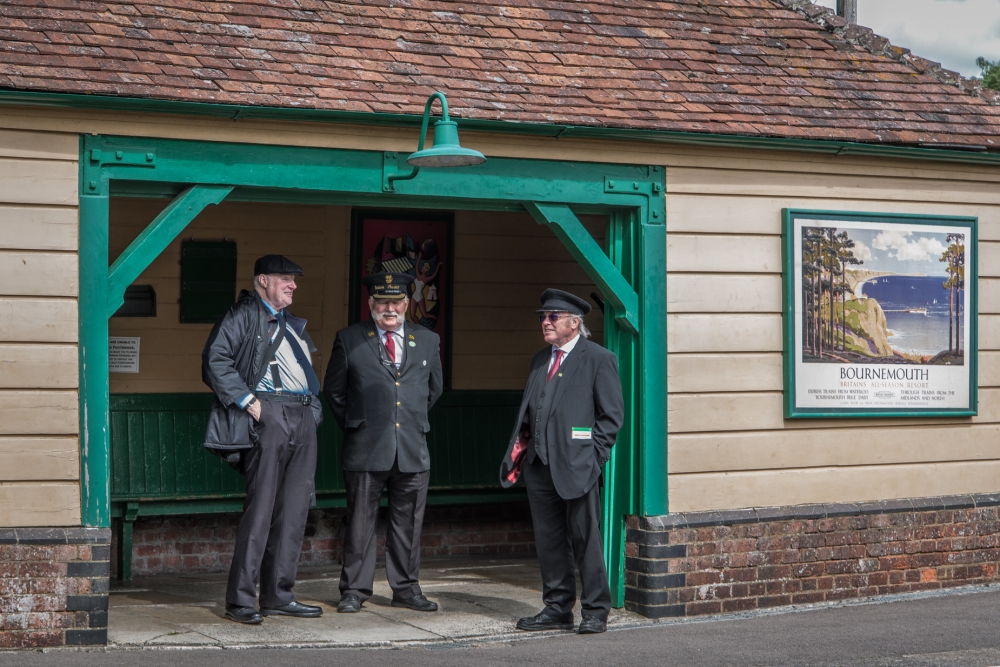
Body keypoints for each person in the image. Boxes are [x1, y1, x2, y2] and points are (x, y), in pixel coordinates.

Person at [202, 254, 324, 625]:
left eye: (294, 279)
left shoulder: (291, 323)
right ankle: (240, 600)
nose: (293, 285)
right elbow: (215, 360)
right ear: (262, 281)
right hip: (269, 413)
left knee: (294, 511)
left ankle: (278, 595)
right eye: (285, 278)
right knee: (261, 511)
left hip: (302, 414)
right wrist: (251, 403)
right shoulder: (243, 314)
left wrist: (313, 410)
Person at [499, 288, 624, 635]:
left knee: (586, 540)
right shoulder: (540, 359)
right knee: (549, 540)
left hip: (578, 467)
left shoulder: (598, 358)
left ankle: (596, 610)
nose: (545, 322)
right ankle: (557, 608)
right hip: (539, 466)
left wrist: (593, 458)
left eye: (553, 316)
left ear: (574, 322)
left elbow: (611, 418)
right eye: (543, 317)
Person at [323, 272, 444, 614]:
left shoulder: (428, 340)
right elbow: (334, 391)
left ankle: (406, 588)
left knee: (408, 523)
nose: (389, 308)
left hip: (411, 446)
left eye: (396, 302)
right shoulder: (349, 339)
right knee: (360, 523)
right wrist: (360, 423)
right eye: (382, 302)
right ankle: (354, 591)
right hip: (365, 445)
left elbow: (432, 390)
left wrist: (407, 422)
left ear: (407, 304)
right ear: (371, 304)